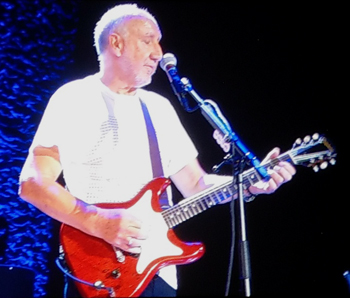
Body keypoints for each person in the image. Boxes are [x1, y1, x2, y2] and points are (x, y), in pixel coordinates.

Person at [18, 3, 296, 297]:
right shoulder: (75, 97)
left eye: (159, 42)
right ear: (116, 43)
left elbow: (196, 184)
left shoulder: (159, 108)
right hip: (100, 269)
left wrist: (251, 184)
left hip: (159, 272)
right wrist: (99, 222)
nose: (158, 52)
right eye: (148, 40)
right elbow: (33, 183)